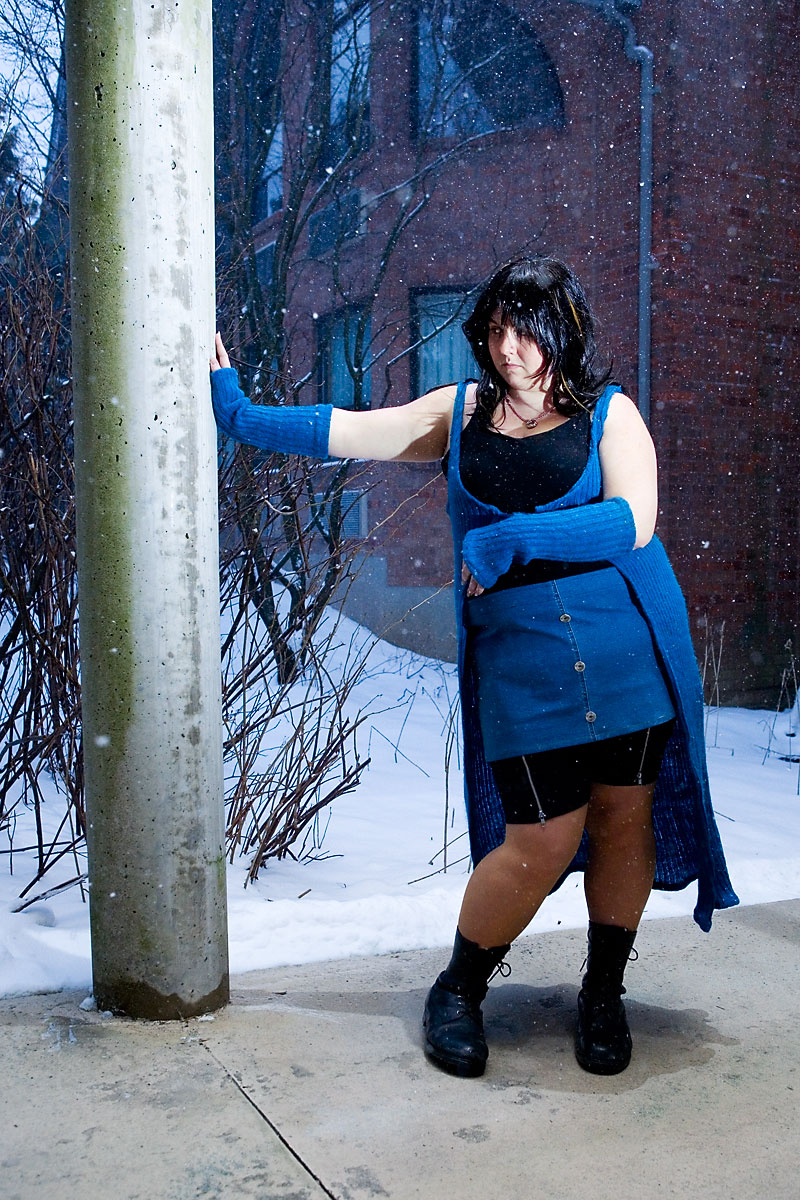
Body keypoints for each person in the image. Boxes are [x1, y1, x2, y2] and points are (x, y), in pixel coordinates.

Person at [209, 255, 738, 1080]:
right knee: (540, 840)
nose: (507, 349)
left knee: (623, 819)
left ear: (564, 331)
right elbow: (347, 429)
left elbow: (632, 521)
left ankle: (603, 991)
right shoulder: (459, 415)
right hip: (520, 662)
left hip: (624, 647)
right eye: (494, 331)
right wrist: (239, 414)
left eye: (525, 331)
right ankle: (458, 988)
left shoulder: (610, 413)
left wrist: (515, 537)